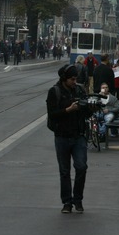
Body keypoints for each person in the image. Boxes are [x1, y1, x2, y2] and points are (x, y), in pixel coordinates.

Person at [46, 64, 89, 214]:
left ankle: (78, 199)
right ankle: (67, 202)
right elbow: (52, 114)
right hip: (62, 136)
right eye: (72, 79)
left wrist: (92, 108)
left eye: (76, 79)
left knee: (81, 167)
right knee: (64, 172)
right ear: (64, 79)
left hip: (78, 136)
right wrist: (67, 110)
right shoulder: (54, 92)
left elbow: (86, 113)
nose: (74, 81)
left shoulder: (80, 90)